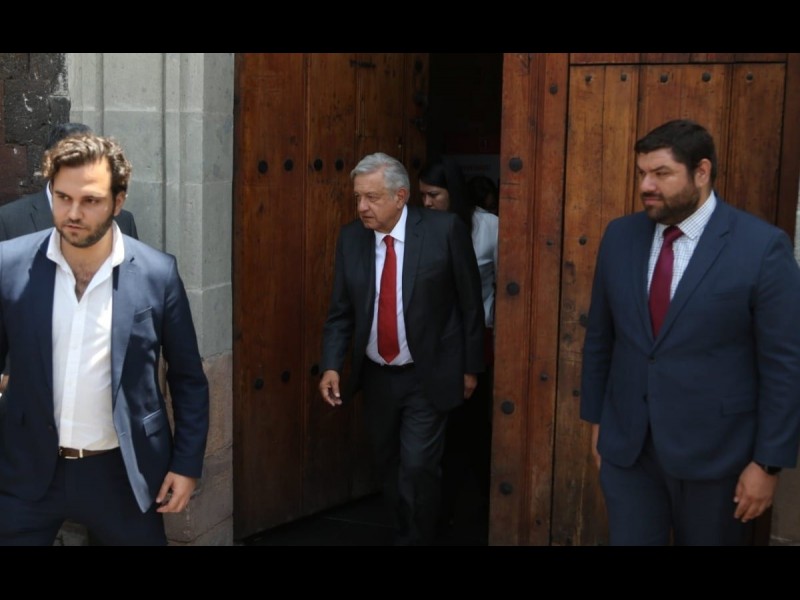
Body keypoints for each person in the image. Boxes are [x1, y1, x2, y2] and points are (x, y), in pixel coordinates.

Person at [580, 119, 800, 546]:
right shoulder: (620, 236)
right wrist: (598, 422)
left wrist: (768, 463)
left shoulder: (761, 247)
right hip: (629, 450)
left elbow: (785, 365)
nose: (646, 185)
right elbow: (602, 337)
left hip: (718, 458)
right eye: (642, 173)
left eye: (661, 173)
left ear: (702, 172)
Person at [0, 133, 209, 545]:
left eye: (91, 200)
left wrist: (186, 465)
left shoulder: (157, 274)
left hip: (122, 474)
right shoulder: (9, 264)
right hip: (26, 471)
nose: (73, 213)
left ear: (118, 201)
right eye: (63, 198)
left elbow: (188, 379)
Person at [319, 152, 485, 545]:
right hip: (377, 377)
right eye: (358, 197)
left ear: (400, 196)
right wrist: (331, 365)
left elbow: (470, 304)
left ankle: (415, 539)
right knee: (389, 465)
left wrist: (470, 367)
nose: (362, 207)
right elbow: (341, 312)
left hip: (427, 375)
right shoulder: (352, 238)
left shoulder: (444, 230)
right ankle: (407, 531)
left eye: (372, 197)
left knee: (418, 467)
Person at [418, 158, 498, 535]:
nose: (427, 202)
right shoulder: (419, 228)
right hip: (432, 343)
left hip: (476, 339)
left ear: (454, 193)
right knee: (440, 428)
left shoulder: (489, 227)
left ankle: (484, 503)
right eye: (422, 195)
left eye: (434, 195)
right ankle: (440, 509)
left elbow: (506, 286)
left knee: (473, 425)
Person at [0, 122, 139, 241]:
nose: (74, 215)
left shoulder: (123, 221)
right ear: (49, 164)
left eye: (87, 158)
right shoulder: (9, 220)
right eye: (70, 161)